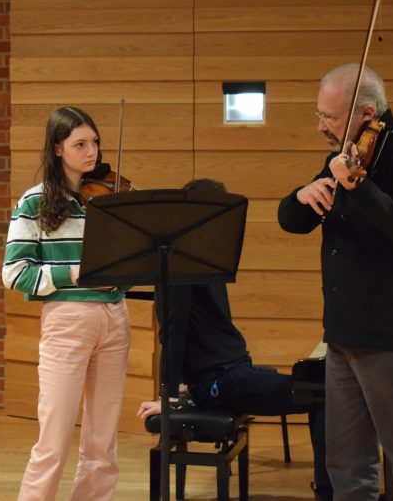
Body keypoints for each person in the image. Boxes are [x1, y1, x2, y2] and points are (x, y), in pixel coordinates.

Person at [278, 64, 393, 500]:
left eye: (329, 117)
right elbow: (291, 219)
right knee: (348, 466)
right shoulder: (346, 155)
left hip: (392, 339)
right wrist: (300, 196)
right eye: (319, 115)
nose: (321, 127)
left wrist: (360, 187)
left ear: (367, 114)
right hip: (344, 336)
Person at [137, 178, 332, 497]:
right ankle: (329, 492)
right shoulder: (181, 264)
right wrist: (169, 394)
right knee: (322, 396)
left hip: (231, 372)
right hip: (221, 382)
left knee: (321, 391)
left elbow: (202, 330)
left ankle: (332, 487)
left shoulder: (204, 257)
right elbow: (173, 330)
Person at [2, 107, 131, 501]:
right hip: (68, 320)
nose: (91, 152)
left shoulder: (110, 198)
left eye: (95, 142)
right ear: (57, 148)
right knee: (53, 441)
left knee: (103, 444)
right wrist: (76, 273)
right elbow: (15, 273)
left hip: (115, 317)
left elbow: (129, 259)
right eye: (80, 144)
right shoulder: (35, 202)